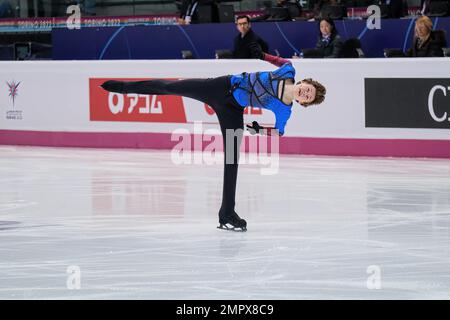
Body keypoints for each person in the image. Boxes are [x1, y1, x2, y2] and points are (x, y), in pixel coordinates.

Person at [99, 49, 326, 232]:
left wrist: (259, 130)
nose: (305, 94)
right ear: (305, 82)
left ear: (304, 103)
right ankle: (124, 87)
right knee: (171, 87)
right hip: (219, 86)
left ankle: (227, 214)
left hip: (233, 110)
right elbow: (282, 60)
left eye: (308, 97)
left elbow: (279, 133)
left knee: (232, 161)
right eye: (308, 89)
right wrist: (263, 55)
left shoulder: (285, 111)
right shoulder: (288, 71)